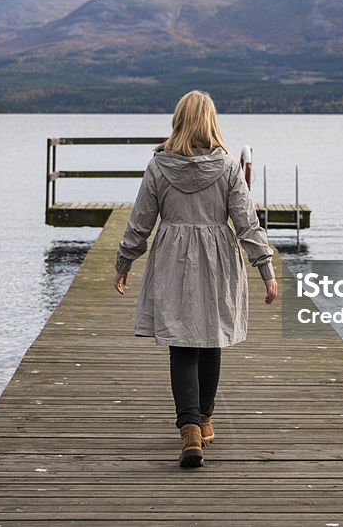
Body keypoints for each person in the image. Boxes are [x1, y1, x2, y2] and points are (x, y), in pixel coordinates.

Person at [113, 89, 278, 468]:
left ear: (179, 120)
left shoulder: (159, 166)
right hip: (218, 258)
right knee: (211, 337)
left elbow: (140, 223)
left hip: (173, 257)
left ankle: (189, 429)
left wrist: (124, 262)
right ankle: (203, 419)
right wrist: (265, 268)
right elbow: (246, 224)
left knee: (181, 342)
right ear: (211, 122)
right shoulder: (228, 167)